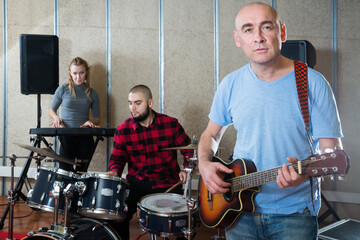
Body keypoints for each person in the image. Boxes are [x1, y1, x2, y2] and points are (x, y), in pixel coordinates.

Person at [198, 2, 343, 240]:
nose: (258, 37)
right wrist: (203, 163)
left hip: (295, 215)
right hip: (238, 212)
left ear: (281, 32)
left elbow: (332, 151)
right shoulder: (230, 84)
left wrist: (305, 174)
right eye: (248, 29)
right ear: (238, 39)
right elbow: (210, 135)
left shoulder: (313, 83)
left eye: (266, 27)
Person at [106, 84, 193, 240]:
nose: (133, 107)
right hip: (138, 182)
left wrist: (186, 169)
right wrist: (113, 171)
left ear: (150, 103)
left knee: (184, 220)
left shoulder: (171, 124)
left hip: (168, 181)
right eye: (130, 103)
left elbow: (189, 149)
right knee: (117, 213)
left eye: (138, 103)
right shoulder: (123, 130)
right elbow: (117, 161)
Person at [49, 57, 100, 172]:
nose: (78, 77)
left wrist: (90, 122)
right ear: (70, 74)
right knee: (64, 171)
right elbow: (51, 110)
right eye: (75, 73)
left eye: (81, 73)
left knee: (81, 174)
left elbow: (97, 119)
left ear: (86, 72)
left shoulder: (92, 93)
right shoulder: (63, 89)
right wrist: (56, 118)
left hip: (85, 138)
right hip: (67, 136)